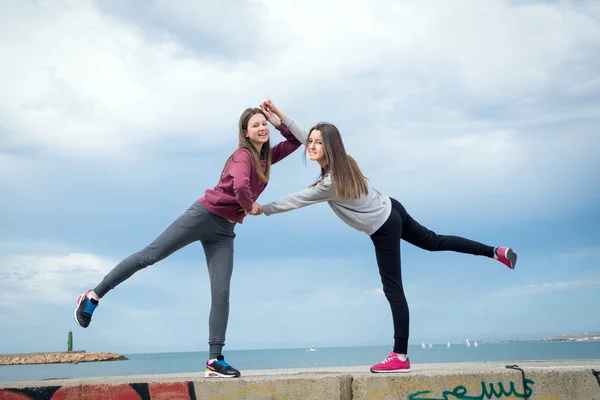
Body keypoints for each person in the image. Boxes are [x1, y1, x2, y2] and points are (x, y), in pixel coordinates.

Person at [254, 99, 517, 373]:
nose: (311, 145)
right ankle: (495, 251)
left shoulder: (330, 183)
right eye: (311, 141)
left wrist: (264, 209)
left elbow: (297, 199)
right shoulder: (345, 163)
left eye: (318, 143)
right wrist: (280, 117)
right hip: (393, 208)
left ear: (329, 147)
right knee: (434, 241)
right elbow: (304, 134)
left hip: (383, 226)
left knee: (393, 290)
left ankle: (400, 356)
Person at [74, 107, 302, 378]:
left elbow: (296, 140)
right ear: (245, 133)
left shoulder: (266, 157)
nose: (262, 128)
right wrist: (250, 207)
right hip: (203, 216)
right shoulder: (243, 156)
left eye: (264, 124)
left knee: (221, 293)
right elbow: (241, 188)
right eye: (256, 125)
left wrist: (278, 119)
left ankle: (214, 360)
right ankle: (93, 296)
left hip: (224, 232)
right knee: (150, 256)